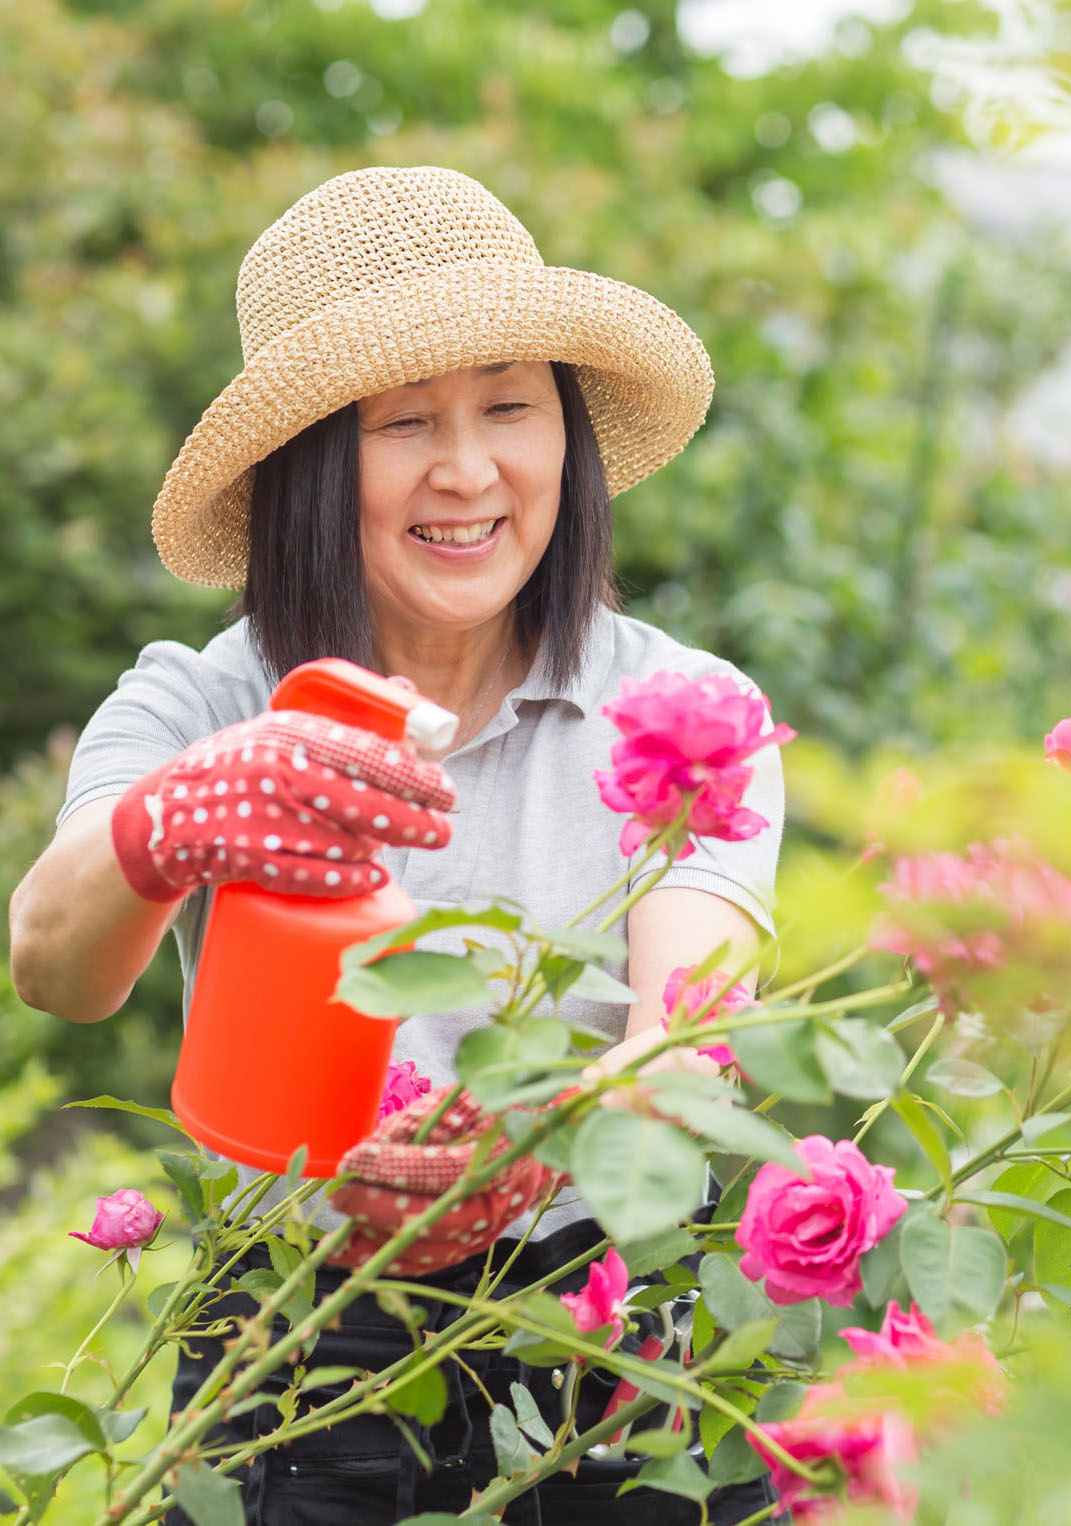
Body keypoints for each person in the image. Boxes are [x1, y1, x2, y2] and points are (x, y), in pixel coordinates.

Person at [7, 165, 786, 1523]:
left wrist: (540, 1134)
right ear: (310, 464)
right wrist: (171, 817)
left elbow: (692, 1025)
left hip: (605, 1333)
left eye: (508, 406)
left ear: (568, 438)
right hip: (295, 1353)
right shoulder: (204, 701)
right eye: (403, 423)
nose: (469, 469)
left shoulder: (686, 714)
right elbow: (56, 968)